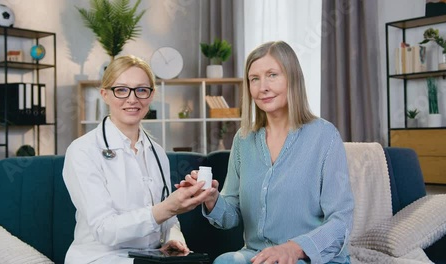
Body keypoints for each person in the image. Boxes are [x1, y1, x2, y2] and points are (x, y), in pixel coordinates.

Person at [178, 41, 354, 264]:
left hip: (314, 259)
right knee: (225, 261)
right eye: (255, 79)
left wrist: (295, 248)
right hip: (257, 257)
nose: (263, 87)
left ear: (293, 78)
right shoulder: (243, 140)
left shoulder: (324, 136)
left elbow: (341, 220)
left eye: (272, 75)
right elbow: (231, 215)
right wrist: (212, 199)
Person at [63, 55, 211, 264]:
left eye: (141, 90)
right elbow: (104, 230)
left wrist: (174, 237)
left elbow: (169, 219)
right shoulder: (82, 151)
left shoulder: (157, 153)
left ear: (151, 96)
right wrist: (168, 207)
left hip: (150, 257)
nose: (132, 99)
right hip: (100, 258)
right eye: (121, 90)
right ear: (105, 94)